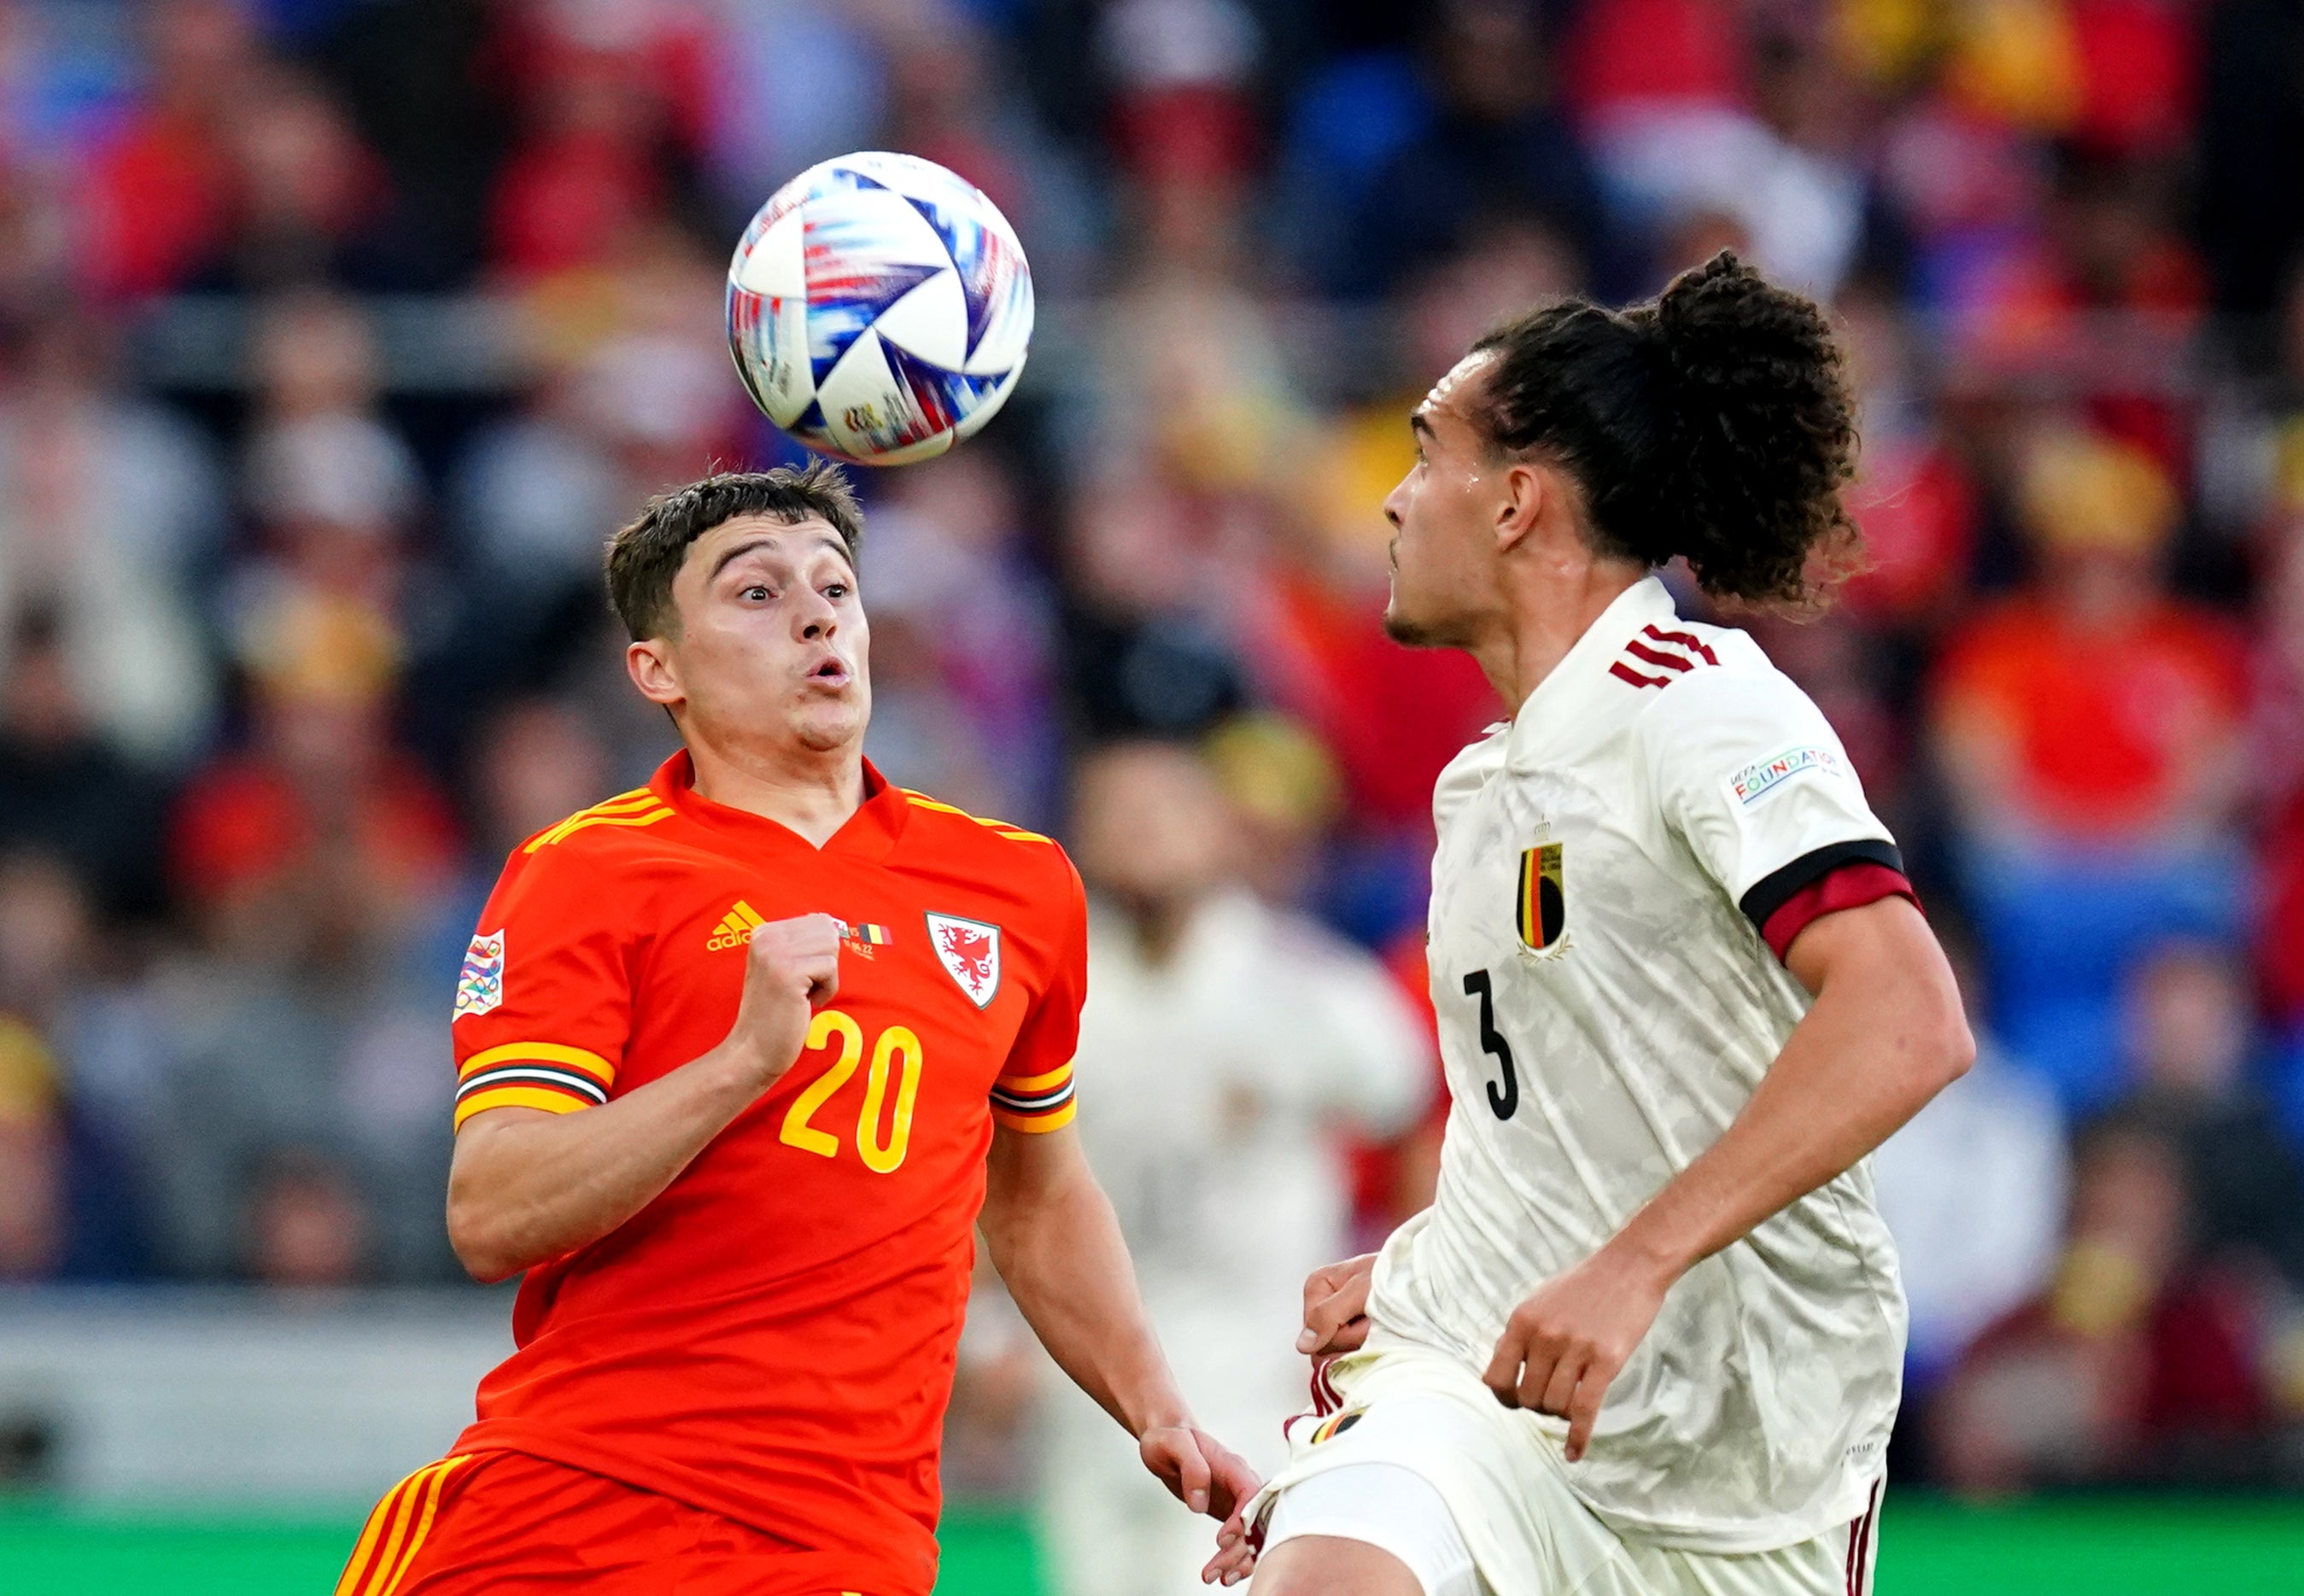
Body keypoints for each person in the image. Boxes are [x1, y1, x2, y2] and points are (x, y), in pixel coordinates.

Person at [336, 466, 1254, 1595]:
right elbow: (492, 1208)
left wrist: (1153, 1405)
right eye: (756, 594)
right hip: (585, 1514)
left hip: (851, 1545)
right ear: (657, 668)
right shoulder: (588, 871)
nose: (818, 613)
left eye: (835, 586)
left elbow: (1037, 1195)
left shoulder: (1016, 887)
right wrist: (741, 1064)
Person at [1215, 254, 1974, 1596]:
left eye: (1422, 452)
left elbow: (1907, 1020)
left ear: (1515, 500)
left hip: (1744, 1465)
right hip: (1488, 1411)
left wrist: (1636, 1266)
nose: (1389, 499)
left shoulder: (1701, 707)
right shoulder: (1479, 787)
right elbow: (1560, 1122)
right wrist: (1418, 1274)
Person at [1039, 740, 1430, 1596]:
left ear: (1220, 830)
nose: (1141, 833)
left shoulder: (1308, 988)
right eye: (1117, 812)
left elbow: (1417, 1122)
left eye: (1164, 810)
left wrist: (1404, 1298)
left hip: (1257, 1379)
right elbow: (1002, 1179)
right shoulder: (1048, 996)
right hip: (1085, 1392)